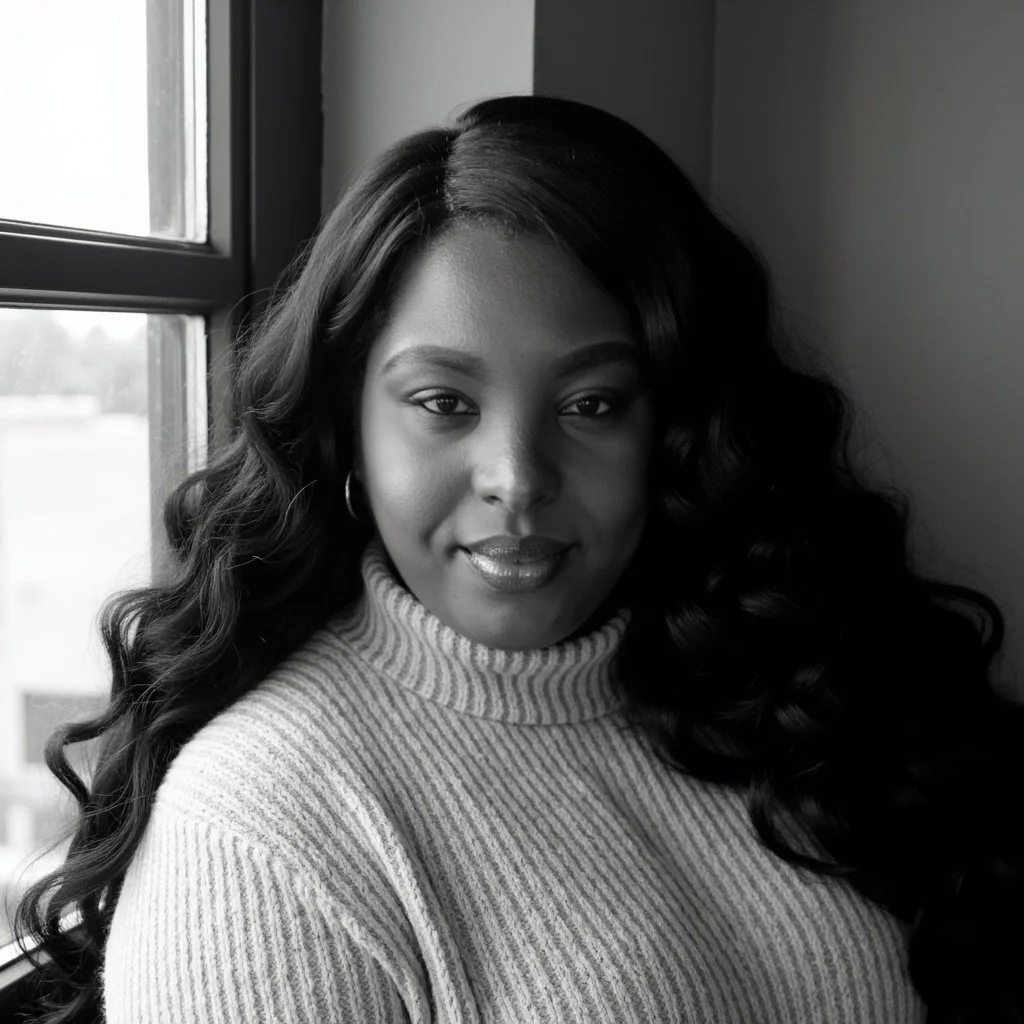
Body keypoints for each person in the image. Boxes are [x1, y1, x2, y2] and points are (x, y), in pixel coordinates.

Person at [16, 95, 1024, 1023]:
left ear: (673, 430)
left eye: (592, 404)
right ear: (346, 430)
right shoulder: (259, 829)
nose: (518, 476)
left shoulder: (769, 680)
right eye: (443, 402)